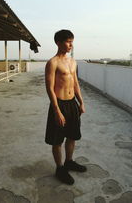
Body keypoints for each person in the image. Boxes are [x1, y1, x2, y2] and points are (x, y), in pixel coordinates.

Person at [45, 29, 87, 185]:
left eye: (72, 41)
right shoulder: (53, 62)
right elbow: (49, 88)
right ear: (58, 42)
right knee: (57, 140)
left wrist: (81, 102)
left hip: (72, 104)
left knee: (72, 135)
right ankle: (60, 168)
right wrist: (57, 111)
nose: (71, 45)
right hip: (59, 104)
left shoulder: (72, 62)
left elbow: (75, 83)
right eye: (68, 41)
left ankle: (69, 161)